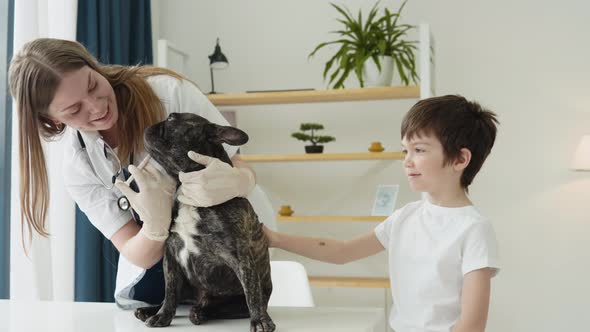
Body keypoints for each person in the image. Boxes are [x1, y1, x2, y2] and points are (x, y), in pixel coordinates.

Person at [9, 38, 256, 308]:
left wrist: (238, 182)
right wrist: (154, 227)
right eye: (74, 109)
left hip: (230, 253)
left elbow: (240, 164)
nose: (96, 106)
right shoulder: (78, 167)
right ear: (53, 120)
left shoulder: (169, 93)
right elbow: (136, 252)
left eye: (92, 84)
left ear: (93, 65)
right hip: (162, 275)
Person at [264, 95, 501, 332]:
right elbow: (342, 251)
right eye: (404, 151)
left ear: (460, 159)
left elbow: (471, 326)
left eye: (419, 150)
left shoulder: (474, 229)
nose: (407, 161)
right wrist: (275, 239)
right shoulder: (405, 217)